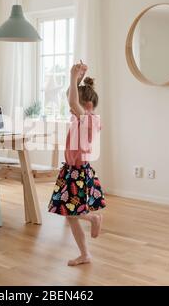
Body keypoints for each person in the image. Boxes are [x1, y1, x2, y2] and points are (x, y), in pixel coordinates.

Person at [48, 62, 106, 267]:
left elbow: (73, 101)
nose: (71, 108)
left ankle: (92, 220)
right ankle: (85, 254)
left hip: (78, 173)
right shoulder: (80, 117)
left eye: (76, 105)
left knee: (72, 214)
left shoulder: (90, 120)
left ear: (86, 105)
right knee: (70, 215)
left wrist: (73, 77)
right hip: (72, 171)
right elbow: (71, 97)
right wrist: (78, 79)